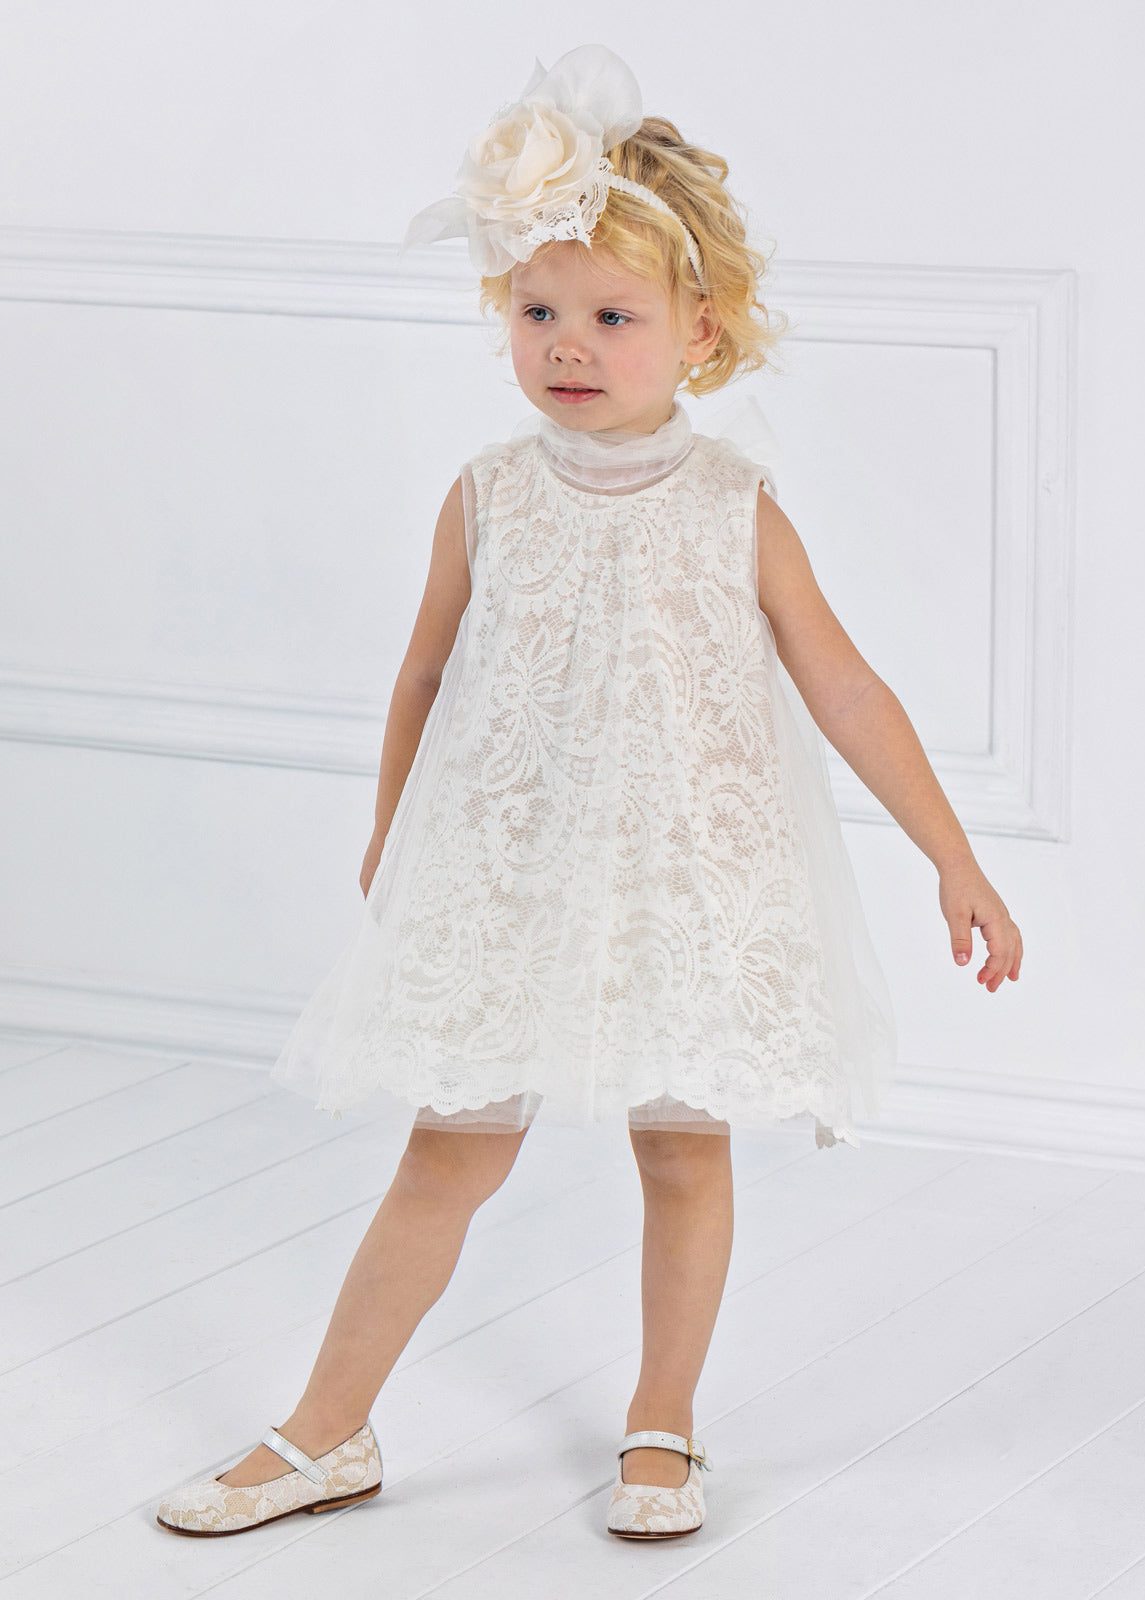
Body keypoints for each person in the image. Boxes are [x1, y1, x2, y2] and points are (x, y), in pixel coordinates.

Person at [157, 42, 1022, 1542]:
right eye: (538, 311)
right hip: (514, 870)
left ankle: (663, 1425)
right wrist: (392, 826)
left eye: (613, 317)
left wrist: (957, 857)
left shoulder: (734, 505)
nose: (569, 344)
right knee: (450, 1147)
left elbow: (847, 689)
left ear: (701, 330)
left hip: (686, 876)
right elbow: (424, 675)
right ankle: (324, 1430)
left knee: (682, 1149)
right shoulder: (488, 494)